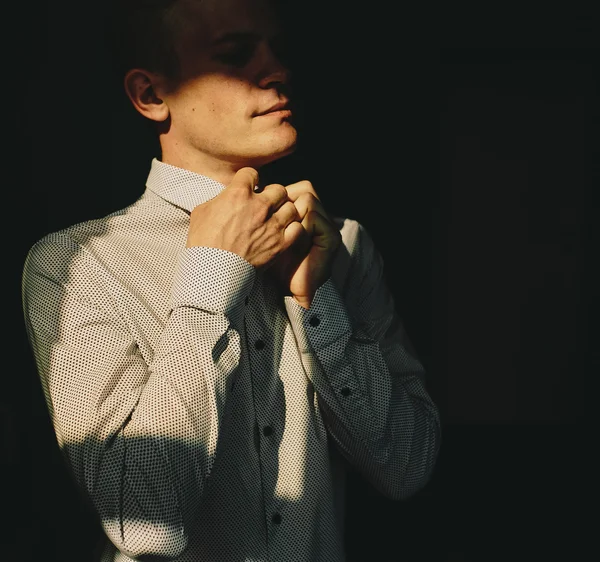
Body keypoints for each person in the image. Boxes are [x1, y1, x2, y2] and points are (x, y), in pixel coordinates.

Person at [21, 0, 441, 560]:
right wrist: (210, 281)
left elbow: (406, 468)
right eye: (236, 54)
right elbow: (143, 522)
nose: (277, 70)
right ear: (151, 95)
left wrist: (318, 301)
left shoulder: (343, 246)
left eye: (277, 50)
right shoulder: (79, 261)